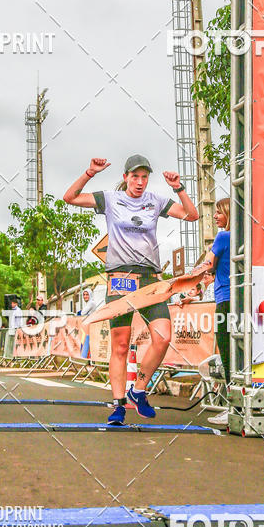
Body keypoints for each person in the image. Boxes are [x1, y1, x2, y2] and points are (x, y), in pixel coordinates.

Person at [64, 154, 199, 425]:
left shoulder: (156, 201)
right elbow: (70, 197)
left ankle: (138, 390)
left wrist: (178, 188)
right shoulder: (110, 199)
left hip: (150, 279)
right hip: (120, 278)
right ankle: (118, 406)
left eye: (144, 177)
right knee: (121, 344)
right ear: (125, 177)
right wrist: (90, 172)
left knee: (162, 337)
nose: (139, 182)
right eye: (135, 176)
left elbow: (192, 216)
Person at [194, 197, 231, 425]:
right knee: (240, 356)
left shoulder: (223, 237)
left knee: (227, 354)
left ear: (229, 213)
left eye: (219, 212)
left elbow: (208, 264)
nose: (215, 216)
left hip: (225, 301)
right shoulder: (245, 238)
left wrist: (186, 279)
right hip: (243, 301)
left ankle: (234, 408)